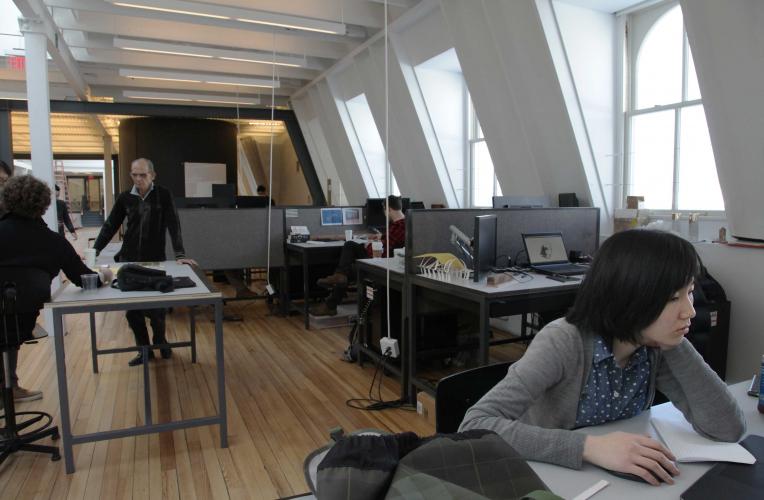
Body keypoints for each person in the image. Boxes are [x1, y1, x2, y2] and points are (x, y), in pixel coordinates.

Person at [460, 229, 746, 486]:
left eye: (690, 293)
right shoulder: (563, 342)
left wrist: (676, 342)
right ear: (629, 296)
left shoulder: (654, 346)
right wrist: (589, 446)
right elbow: (474, 425)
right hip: (549, 479)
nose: (690, 311)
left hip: (614, 482)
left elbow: (727, 428)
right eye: (673, 298)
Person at [0, 175, 112, 403]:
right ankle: (9, 390)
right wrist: (106, 275)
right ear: (43, 205)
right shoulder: (52, 241)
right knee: (7, 327)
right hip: (20, 323)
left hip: (7, 319)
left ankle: (8, 390)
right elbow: (84, 279)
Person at [93, 158, 195, 366]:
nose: (138, 179)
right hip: (129, 261)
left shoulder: (163, 195)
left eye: (143, 175)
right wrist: (94, 250)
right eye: (134, 175)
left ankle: (160, 340)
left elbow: (173, 224)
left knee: (157, 310)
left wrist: (180, 254)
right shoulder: (125, 198)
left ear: (153, 175)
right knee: (133, 312)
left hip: (154, 260)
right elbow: (111, 225)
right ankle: (144, 350)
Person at [310, 195, 405, 317]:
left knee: (349, 269)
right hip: (382, 256)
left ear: (388, 209)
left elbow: (384, 250)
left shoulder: (399, 226)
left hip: (380, 261)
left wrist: (368, 245)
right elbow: (389, 243)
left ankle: (331, 303)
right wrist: (380, 238)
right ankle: (339, 277)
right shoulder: (401, 223)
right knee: (350, 245)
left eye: (384, 209)